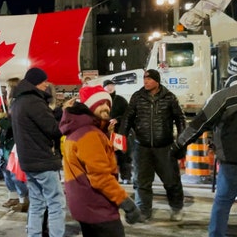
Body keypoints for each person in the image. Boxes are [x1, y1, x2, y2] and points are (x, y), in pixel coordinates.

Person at [60, 85, 141, 236]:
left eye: (107, 104)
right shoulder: (89, 134)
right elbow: (100, 177)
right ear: (90, 106)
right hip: (96, 206)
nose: (105, 107)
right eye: (100, 104)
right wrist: (126, 203)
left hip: (86, 204)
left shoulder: (83, 129)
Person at [172, 58, 237, 237]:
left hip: (232, 161)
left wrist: (179, 145)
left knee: (223, 203)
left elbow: (198, 124)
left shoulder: (224, 97)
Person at [118, 69, 186, 222]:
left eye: (149, 79)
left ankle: (176, 208)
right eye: (144, 79)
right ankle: (143, 211)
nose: (145, 81)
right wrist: (121, 138)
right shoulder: (137, 97)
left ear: (157, 81)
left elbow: (180, 119)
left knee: (171, 181)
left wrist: (181, 143)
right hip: (141, 147)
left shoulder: (169, 97)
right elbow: (127, 119)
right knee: (141, 181)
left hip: (165, 147)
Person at [10, 67, 65, 237]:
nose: (46, 85)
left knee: (37, 203)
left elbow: (38, 123)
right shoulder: (34, 101)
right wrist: (64, 115)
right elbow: (53, 129)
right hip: (42, 161)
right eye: (43, 81)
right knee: (56, 203)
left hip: (28, 162)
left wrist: (55, 112)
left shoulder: (19, 101)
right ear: (35, 82)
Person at [0, 77, 29, 212]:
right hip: (7, 144)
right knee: (6, 171)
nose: (6, 90)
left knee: (15, 173)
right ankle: (14, 196)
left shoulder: (19, 104)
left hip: (15, 144)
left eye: (8, 87)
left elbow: (13, 125)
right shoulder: (12, 103)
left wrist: (2, 121)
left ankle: (23, 199)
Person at [103, 79, 132, 184]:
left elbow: (128, 114)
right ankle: (112, 177)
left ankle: (126, 177)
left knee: (123, 155)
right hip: (105, 134)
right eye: (108, 86)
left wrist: (117, 120)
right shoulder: (102, 100)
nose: (110, 88)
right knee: (109, 156)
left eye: (112, 85)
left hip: (119, 132)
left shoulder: (120, 100)